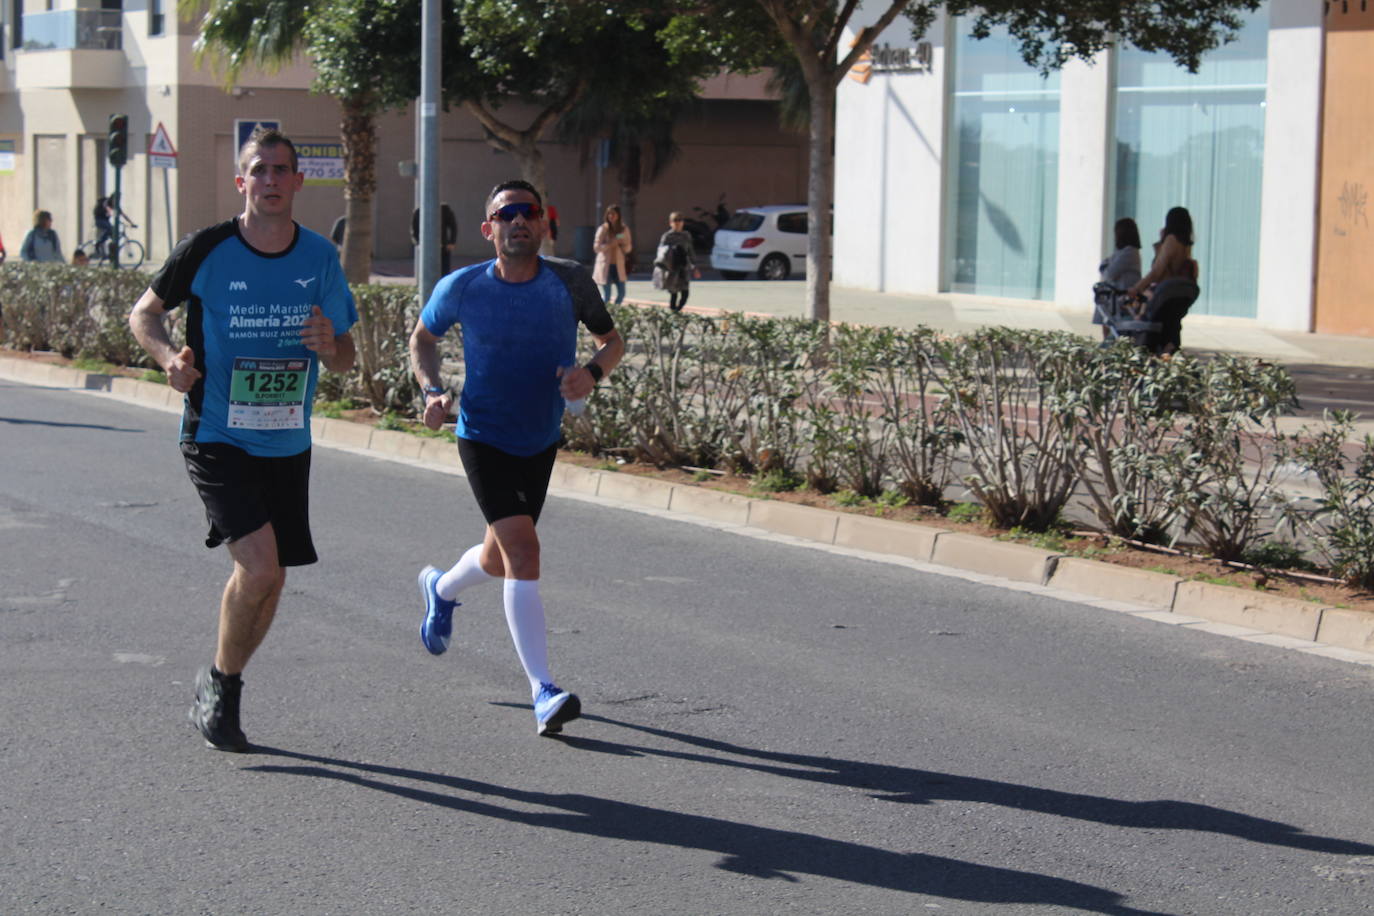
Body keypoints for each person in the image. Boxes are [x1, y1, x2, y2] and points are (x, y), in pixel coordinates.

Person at [128, 127, 358, 752]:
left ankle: (222, 677)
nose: (272, 180)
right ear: (242, 181)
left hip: (287, 437)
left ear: (298, 181)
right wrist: (165, 359)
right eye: (260, 170)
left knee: (273, 576)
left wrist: (328, 346)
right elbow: (143, 314)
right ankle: (223, 694)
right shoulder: (205, 249)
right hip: (216, 431)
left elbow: (346, 356)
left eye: (283, 170)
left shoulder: (318, 258)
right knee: (257, 565)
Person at [408, 179, 624, 736]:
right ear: (490, 229)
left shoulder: (571, 282)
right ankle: (543, 690)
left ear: (545, 226)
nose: (520, 221)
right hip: (482, 435)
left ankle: (441, 588)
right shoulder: (462, 286)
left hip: (540, 438)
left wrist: (590, 373)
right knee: (524, 552)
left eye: (531, 213)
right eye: (508, 214)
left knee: (501, 558)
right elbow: (422, 339)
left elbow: (612, 341)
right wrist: (432, 391)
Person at [1128, 206, 1199, 356]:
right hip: (1181, 294)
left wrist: (1137, 288)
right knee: (1172, 330)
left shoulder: (1171, 240)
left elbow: (1157, 271)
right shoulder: (1186, 245)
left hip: (1166, 293)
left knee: (1155, 329)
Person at [1095, 218, 1142, 340]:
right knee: (1106, 318)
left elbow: (1109, 272)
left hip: (1123, 298)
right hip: (1114, 297)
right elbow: (1105, 266)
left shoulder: (1130, 252)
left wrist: (1106, 265)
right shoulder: (1120, 252)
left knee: (1114, 327)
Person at [652, 211, 700, 312]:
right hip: (672, 268)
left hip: (684, 267)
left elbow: (690, 251)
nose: (677, 223)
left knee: (685, 293)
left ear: (683, 222)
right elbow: (661, 252)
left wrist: (694, 267)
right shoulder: (667, 236)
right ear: (670, 222)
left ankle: (677, 311)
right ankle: (673, 313)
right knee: (673, 293)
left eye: (680, 220)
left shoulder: (686, 235)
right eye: (675, 220)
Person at [592, 205, 632, 304]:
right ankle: (604, 315)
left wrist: (621, 244)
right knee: (607, 296)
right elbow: (596, 247)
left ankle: (615, 312)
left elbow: (628, 247)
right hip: (605, 265)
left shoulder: (623, 229)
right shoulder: (603, 228)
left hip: (618, 265)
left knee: (621, 293)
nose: (611, 216)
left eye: (613, 214)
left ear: (618, 215)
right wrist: (610, 244)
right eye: (609, 214)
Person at [411, 202, 458, 275]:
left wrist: (452, 242)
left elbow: (453, 226)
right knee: (427, 272)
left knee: (444, 271)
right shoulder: (418, 211)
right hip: (426, 248)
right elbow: (414, 230)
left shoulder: (444, 209)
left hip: (443, 247)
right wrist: (419, 243)